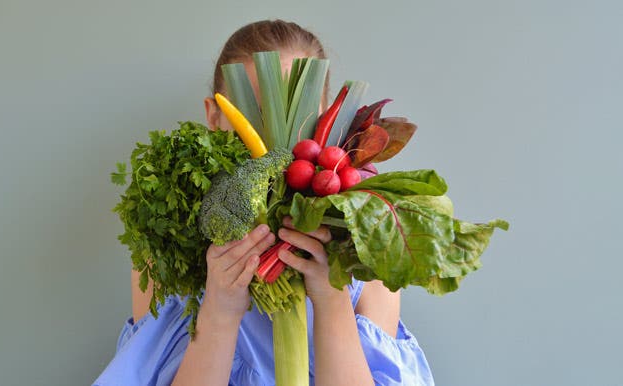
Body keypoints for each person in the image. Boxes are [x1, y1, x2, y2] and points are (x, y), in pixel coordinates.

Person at [94, 20, 434, 386]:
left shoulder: (367, 241)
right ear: (215, 115)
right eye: (256, 112)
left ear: (328, 119)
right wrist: (219, 311)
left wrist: (331, 300)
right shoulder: (163, 242)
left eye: (298, 112)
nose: (276, 138)